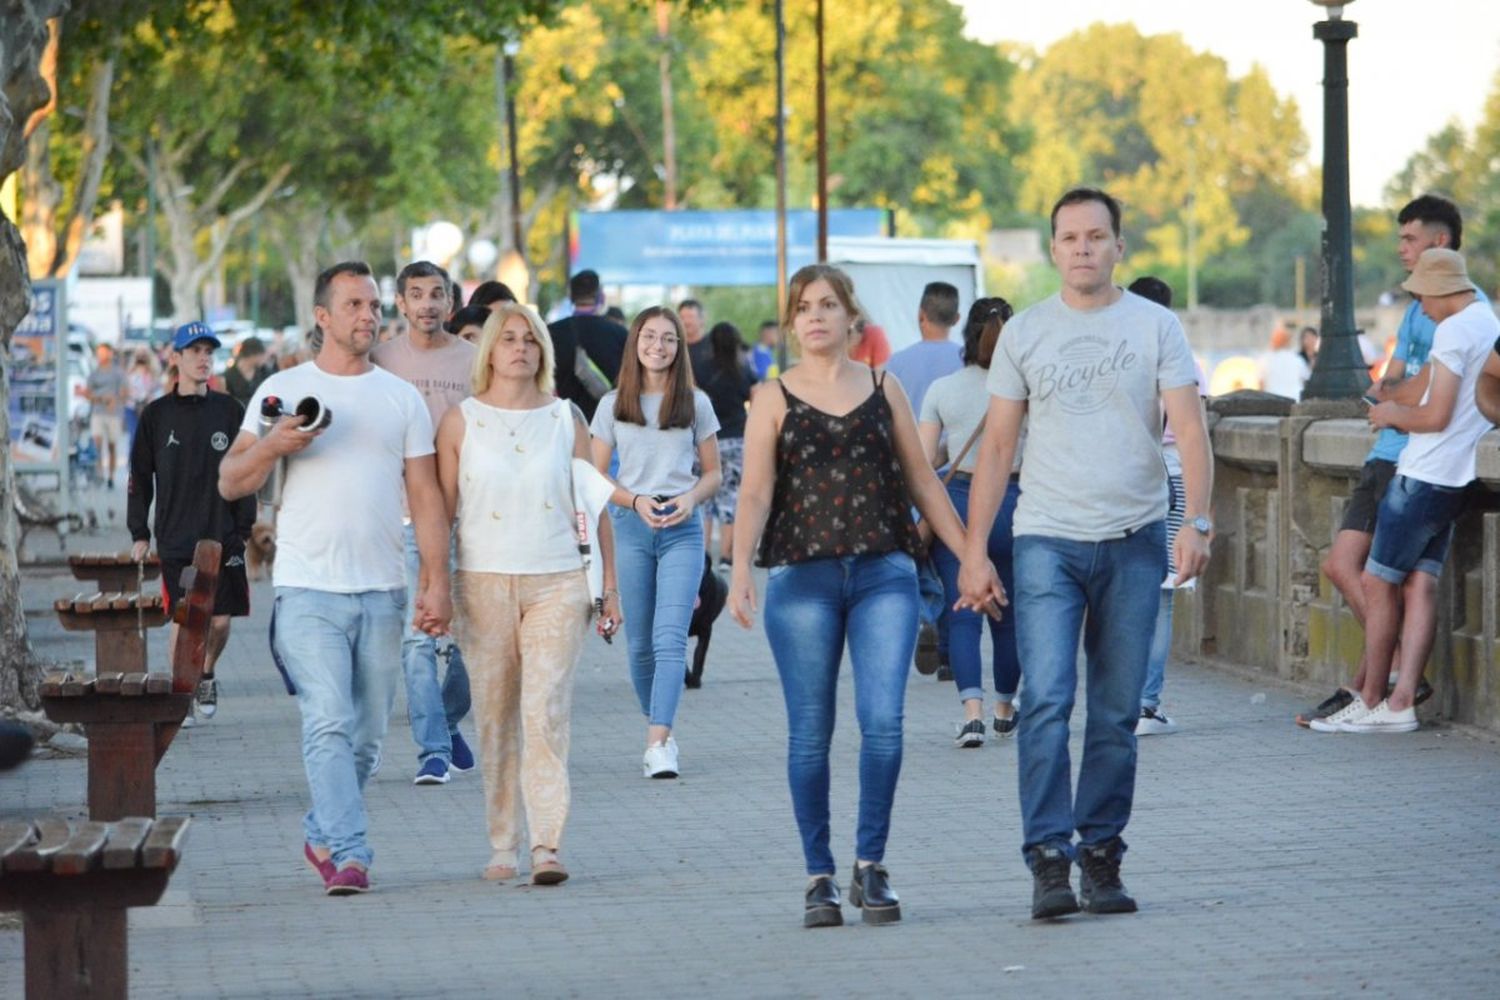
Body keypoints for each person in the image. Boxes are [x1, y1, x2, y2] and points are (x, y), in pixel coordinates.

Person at [956, 187, 1212, 920]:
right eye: (1069, 238)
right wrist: (975, 552)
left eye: (1095, 237)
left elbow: (1189, 430)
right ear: (1053, 249)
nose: (1082, 249)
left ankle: (1101, 853)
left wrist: (1197, 521)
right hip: (1046, 539)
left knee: (1114, 710)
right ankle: (1047, 857)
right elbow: (999, 446)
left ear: (1118, 247)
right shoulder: (1026, 333)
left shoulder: (1156, 325)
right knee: (1045, 701)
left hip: (1133, 537)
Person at [729, 263, 987, 928]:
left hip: (884, 575)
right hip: (802, 580)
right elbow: (754, 492)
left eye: (828, 304)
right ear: (792, 323)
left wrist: (972, 560)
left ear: (852, 318)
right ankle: (818, 876)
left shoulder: (884, 385)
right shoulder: (771, 397)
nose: (815, 316)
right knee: (811, 735)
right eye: (803, 307)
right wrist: (737, 574)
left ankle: (871, 867)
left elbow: (924, 483)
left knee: (884, 725)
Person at [219, 260, 452, 896]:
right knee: (325, 719)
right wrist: (274, 445)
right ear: (322, 316)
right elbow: (231, 480)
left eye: (374, 305)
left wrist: (437, 579)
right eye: (354, 305)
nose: (369, 316)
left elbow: (426, 496)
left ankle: (322, 831)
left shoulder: (399, 398)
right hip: (305, 590)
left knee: (367, 741)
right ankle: (351, 855)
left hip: (381, 591)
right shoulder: (282, 387)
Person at [435, 302, 622, 885]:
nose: (520, 347)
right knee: (494, 715)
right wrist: (433, 586)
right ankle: (502, 843)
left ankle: (546, 844)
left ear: (544, 351)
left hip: (557, 580)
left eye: (530, 339)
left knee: (543, 711)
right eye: (508, 338)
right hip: (482, 581)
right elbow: (441, 511)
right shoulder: (460, 421)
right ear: (489, 349)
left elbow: (593, 501)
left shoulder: (568, 417)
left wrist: (609, 587)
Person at [1304, 195, 1481, 726]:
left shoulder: (1457, 326)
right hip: (1438, 471)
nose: (1418, 303)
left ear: (1439, 247)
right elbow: (1403, 384)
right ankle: (1391, 691)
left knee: (1378, 580)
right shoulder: (1475, 322)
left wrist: (1391, 413)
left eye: (1409, 239)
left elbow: (1432, 409)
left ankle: (1376, 696)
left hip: (1420, 469)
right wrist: (1391, 401)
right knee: (1404, 580)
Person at [590, 306, 721, 779]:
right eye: (650, 337)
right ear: (635, 342)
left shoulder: (694, 402)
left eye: (669, 339)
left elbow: (714, 473)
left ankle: (657, 743)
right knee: (640, 647)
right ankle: (659, 727)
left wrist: (690, 499)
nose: (659, 346)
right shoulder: (612, 404)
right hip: (631, 524)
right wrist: (634, 500)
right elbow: (594, 474)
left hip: (681, 528)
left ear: (679, 347)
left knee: (670, 641)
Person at [372, 261, 477, 785]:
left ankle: (446, 717)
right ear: (401, 303)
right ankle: (432, 750)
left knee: (476, 638)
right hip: (406, 517)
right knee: (418, 639)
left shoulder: (475, 361)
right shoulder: (380, 359)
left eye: (437, 294)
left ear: (451, 302)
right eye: (417, 295)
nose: (428, 304)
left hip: (473, 518)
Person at [128, 322, 256, 725]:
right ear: (177, 358)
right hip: (176, 537)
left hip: (224, 535)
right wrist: (139, 533)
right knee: (186, 621)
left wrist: (245, 529)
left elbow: (249, 470)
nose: (203, 358)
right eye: (195, 351)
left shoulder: (230, 410)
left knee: (218, 622)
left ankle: (206, 673)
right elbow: (139, 477)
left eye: (208, 351)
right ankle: (181, 696)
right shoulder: (156, 415)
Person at [918, 297, 1020, 747]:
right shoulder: (1028, 388)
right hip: (1016, 504)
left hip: (957, 505)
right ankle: (1004, 709)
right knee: (1008, 616)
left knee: (961, 614)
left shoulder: (943, 388)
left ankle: (972, 715)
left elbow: (923, 463)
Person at [1125, 275, 1209, 737]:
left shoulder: (1121, 359)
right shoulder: (1185, 361)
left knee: (1123, 594)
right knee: (1162, 596)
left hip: (1128, 483)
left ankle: (1122, 698)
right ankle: (1146, 704)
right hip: (1174, 480)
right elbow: (1197, 429)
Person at [698, 322, 755, 566]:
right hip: (736, 439)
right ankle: (726, 555)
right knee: (730, 497)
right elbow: (756, 401)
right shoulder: (743, 370)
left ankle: (704, 554)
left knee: (705, 500)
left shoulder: (699, 369)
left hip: (705, 440)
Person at [548, 269, 630, 419]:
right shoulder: (620, 333)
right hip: (609, 422)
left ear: (571, 297)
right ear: (600, 296)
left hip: (565, 420)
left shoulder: (551, 333)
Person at [885, 282, 964, 418]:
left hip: (911, 439)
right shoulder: (968, 360)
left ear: (921, 314)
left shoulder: (896, 363)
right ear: (956, 319)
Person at [86, 343, 128, 488]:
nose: (101, 356)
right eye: (99, 353)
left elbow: (125, 393)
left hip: (113, 414)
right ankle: (99, 474)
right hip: (98, 412)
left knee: (112, 446)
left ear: (110, 353)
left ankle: (111, 477)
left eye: (104, 353)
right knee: (97, 443)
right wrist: (101, 398)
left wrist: (114, 399)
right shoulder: (94, 373)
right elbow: (88, 393)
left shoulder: (118, 373)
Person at [1258, 325, 1310, 400]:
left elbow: (1261, 385)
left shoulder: (1264, 359)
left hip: (1273, 403)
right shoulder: (1298, 359)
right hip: (1295, 401)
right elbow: (1306, 381)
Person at [225, 337, 272, 409]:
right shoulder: (228, 376)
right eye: (262, 354)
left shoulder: (264, 372)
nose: (265, 358)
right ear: (253, 355)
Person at [124, 349, 159, 441]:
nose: (141, 359)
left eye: (144, 356)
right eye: (139, 356)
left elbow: (155, 391)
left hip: (147, 408)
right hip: (131, 407)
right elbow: (126, 390)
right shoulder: (129, 374)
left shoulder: (153, 375)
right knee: (134, 435)